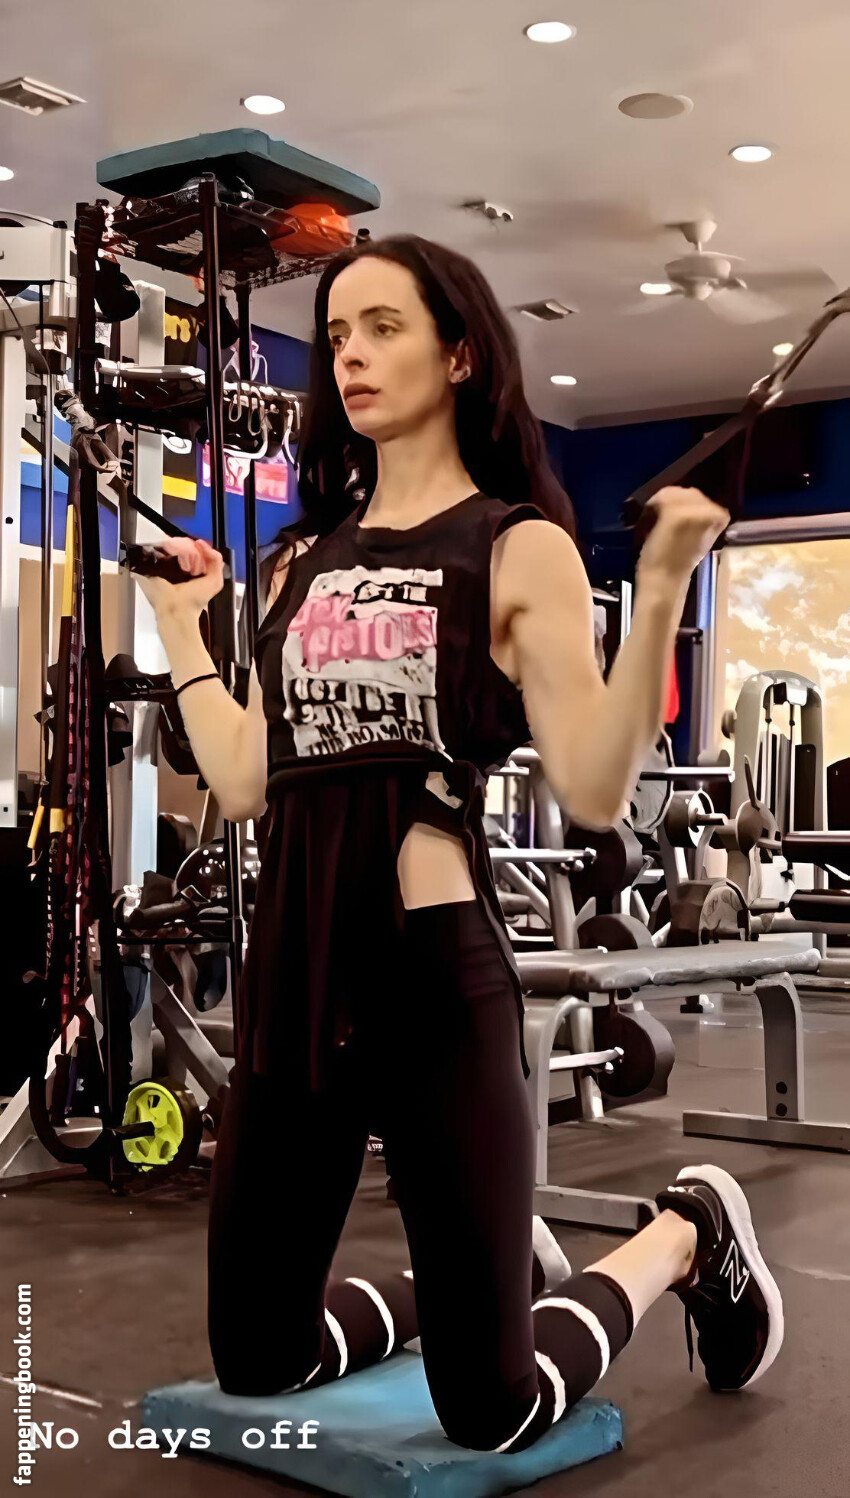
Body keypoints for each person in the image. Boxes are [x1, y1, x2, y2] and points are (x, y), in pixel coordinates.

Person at [137, 234, 783, 1453]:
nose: (351, 357)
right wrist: (181, 623)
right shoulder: (296, 561)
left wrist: (658, 588)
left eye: (383, 328)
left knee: (490, 1409)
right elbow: (243, 775)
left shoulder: (513, 544)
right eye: (337, 336)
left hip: (433, 979)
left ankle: (684, 1235)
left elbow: (591, 785)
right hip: (293, 982)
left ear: (459, 353)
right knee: (258, 1358)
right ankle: (491, 1277)